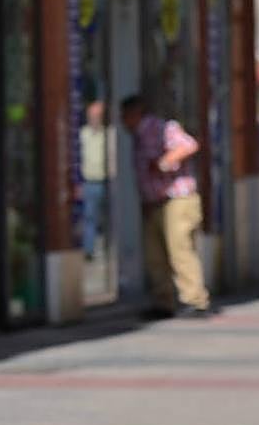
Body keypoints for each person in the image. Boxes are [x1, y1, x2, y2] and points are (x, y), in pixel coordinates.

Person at [120, 95, 211, 319]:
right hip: (154, 202)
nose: (122, 122)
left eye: (124, 117)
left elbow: (189, 145)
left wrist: (163, 163)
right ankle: (163, 302)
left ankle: (195, 300)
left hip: (178, 199)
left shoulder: (160, 127)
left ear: (135, 114)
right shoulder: (138, 137)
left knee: (179, 249)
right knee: (155, 255)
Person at [80, 100, 113, 260]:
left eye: (96, 116)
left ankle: (110, 249)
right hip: (89, 182)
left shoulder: (109, 134)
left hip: (107, 182)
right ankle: (89, 250)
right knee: (89, 217)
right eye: (90, 116)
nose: (93, 119)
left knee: (110, 217)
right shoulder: (82, 135)